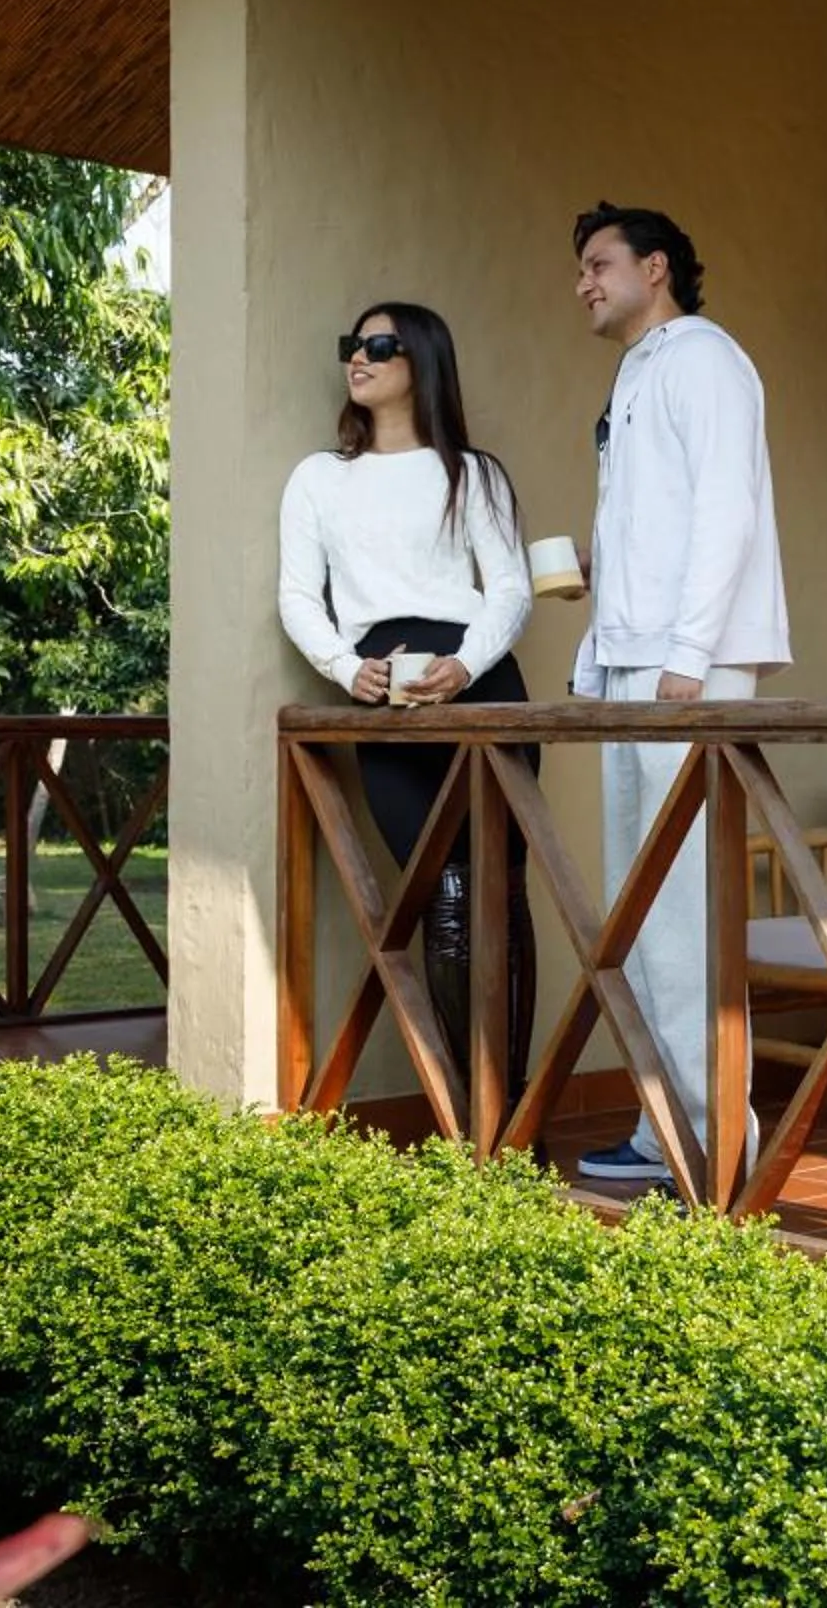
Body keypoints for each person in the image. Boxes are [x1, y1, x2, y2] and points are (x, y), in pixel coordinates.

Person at [566, 202, 790, 1188]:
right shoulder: (633, 372)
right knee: (639, 912)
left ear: (656, 268)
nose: (584, 282)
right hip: (636, 661)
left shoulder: (703, 358)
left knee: (681, 912)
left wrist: (689, 653)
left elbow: (724, 508)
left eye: (599, 263)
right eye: (580, 268)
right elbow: (646, 526)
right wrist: (596, 636)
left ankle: (719, 1145)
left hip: (683, 667)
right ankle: (671, 1130)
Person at [277, 302, 538, 1086]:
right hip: (383, 692)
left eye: (379, 345)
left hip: (482, 684)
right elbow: (297, 594)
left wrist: (463, 665)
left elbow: (512, 589)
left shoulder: (473, 471)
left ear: (421, 361)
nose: (359, 357)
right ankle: (470, 1116)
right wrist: (338, 665)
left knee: (505, 888)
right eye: (351, 345)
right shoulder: (320, 477)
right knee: (443, 890)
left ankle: (515, 1111)